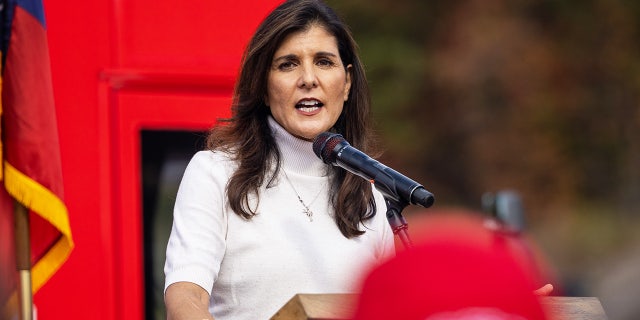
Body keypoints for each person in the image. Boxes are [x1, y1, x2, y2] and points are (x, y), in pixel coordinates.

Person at [163, 1, 395, 319]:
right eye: (288, 64)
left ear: (347, 82)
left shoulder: (372, 197)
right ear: (263, 86)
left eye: (324, 62)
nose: (308, 79)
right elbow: (185, 295)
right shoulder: (215, 173)